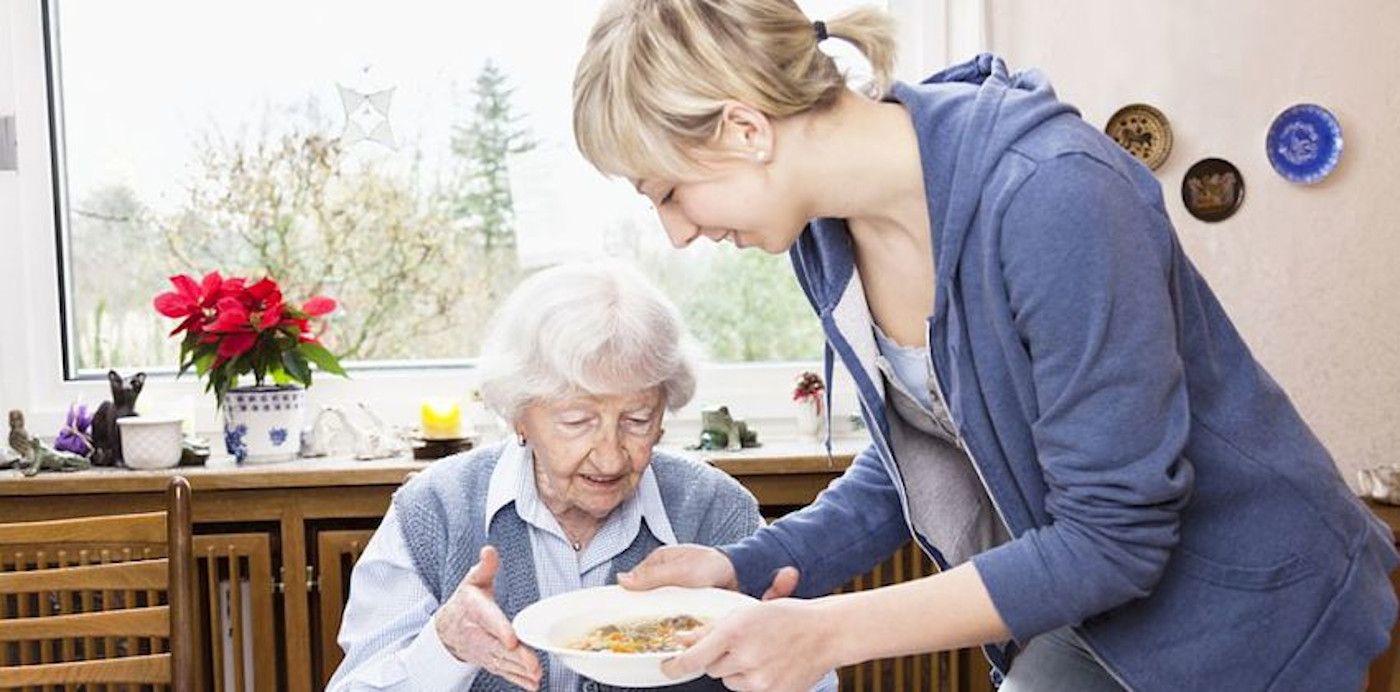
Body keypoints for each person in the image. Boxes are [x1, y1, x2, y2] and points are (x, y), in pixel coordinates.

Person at [570, 2, 1399, 690]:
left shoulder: (1054, 193)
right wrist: (739, 570)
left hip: (1253, 599)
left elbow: (1116, 535)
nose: (676, 233)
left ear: (746, 129)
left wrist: (823, 634)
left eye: (669, 192)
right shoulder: (823, 241)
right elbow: (922, 453)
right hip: (1106, 604)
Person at [329, 262, 772, 691]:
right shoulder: (434, 510)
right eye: (578, 420)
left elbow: (810, 683)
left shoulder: (719, 511)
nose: (610, 458)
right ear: (519, 415)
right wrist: (445, 647)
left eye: (637, 419)